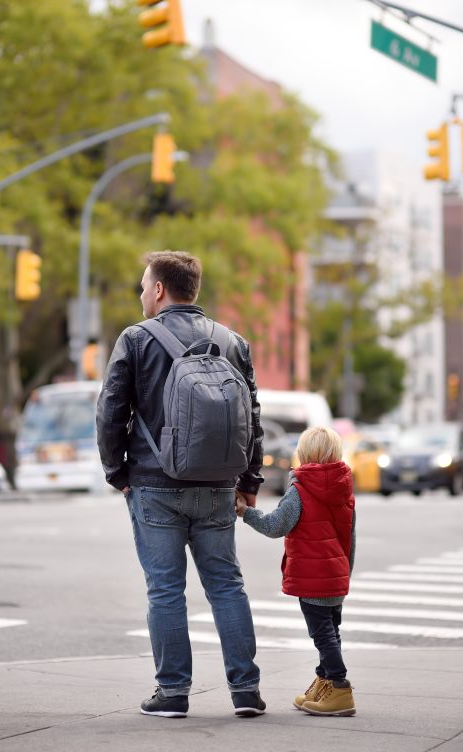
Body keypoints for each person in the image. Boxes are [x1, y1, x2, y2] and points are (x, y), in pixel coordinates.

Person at [96, 250, 265, 719]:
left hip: (154, 484)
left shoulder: (135, 339)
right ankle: (246, 690)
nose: (140, 292)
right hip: (217, 485)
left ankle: (172, 693)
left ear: (158, 290)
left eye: (143, 284)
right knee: (227, 586)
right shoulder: (233, 342)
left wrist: (118, 474)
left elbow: (111, 411)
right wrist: (249, 480)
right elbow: (252, 418)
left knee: (165, 591)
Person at [236, 425, 356, 717]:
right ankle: (325, 682)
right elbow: (350, 536)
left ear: (303, 454)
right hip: (337, 575)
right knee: (331, 632)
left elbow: (275, 525)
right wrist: (344, 574)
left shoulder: (300, 489)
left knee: (323, 636)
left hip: (313, 579)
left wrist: (246, 513)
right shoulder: (343, 487)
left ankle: (339, 687)